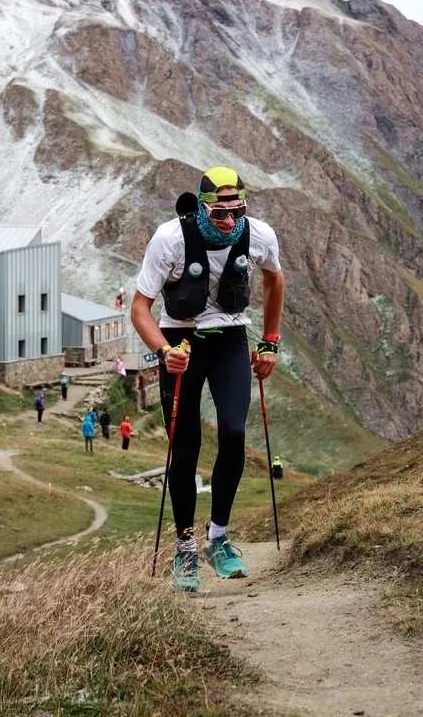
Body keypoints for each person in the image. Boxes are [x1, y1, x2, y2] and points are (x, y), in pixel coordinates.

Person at [131, 166, 284, 593]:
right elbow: (140, 308)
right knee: (185, 446)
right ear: (201, 209)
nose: (230, 221)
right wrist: (164, 352)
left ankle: (218, 537)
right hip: (180, 343)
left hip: (231, 339)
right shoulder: (170, 239)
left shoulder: (258, 234)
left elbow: (275, 279)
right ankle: (184, 547)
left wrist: (270, 341)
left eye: (238, 211)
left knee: (234, 433)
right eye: (219, 213)